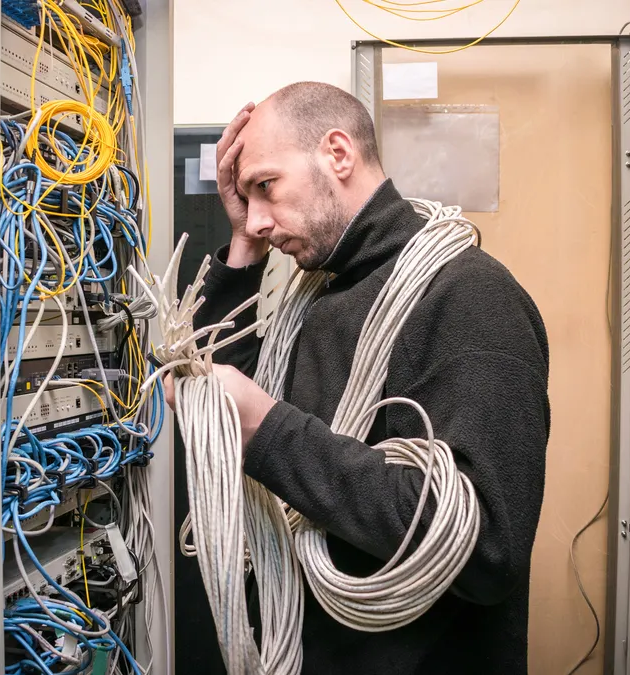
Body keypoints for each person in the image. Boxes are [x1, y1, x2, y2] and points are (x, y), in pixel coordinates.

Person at [167, 82, 550, 674]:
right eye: (248, 199)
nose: (261, 219)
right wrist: (242, 243)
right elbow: (220, 393)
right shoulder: (320, 291)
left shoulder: (470, 296)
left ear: (338, 154)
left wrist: (269, 432)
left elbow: (486, 549)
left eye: (266, 186)